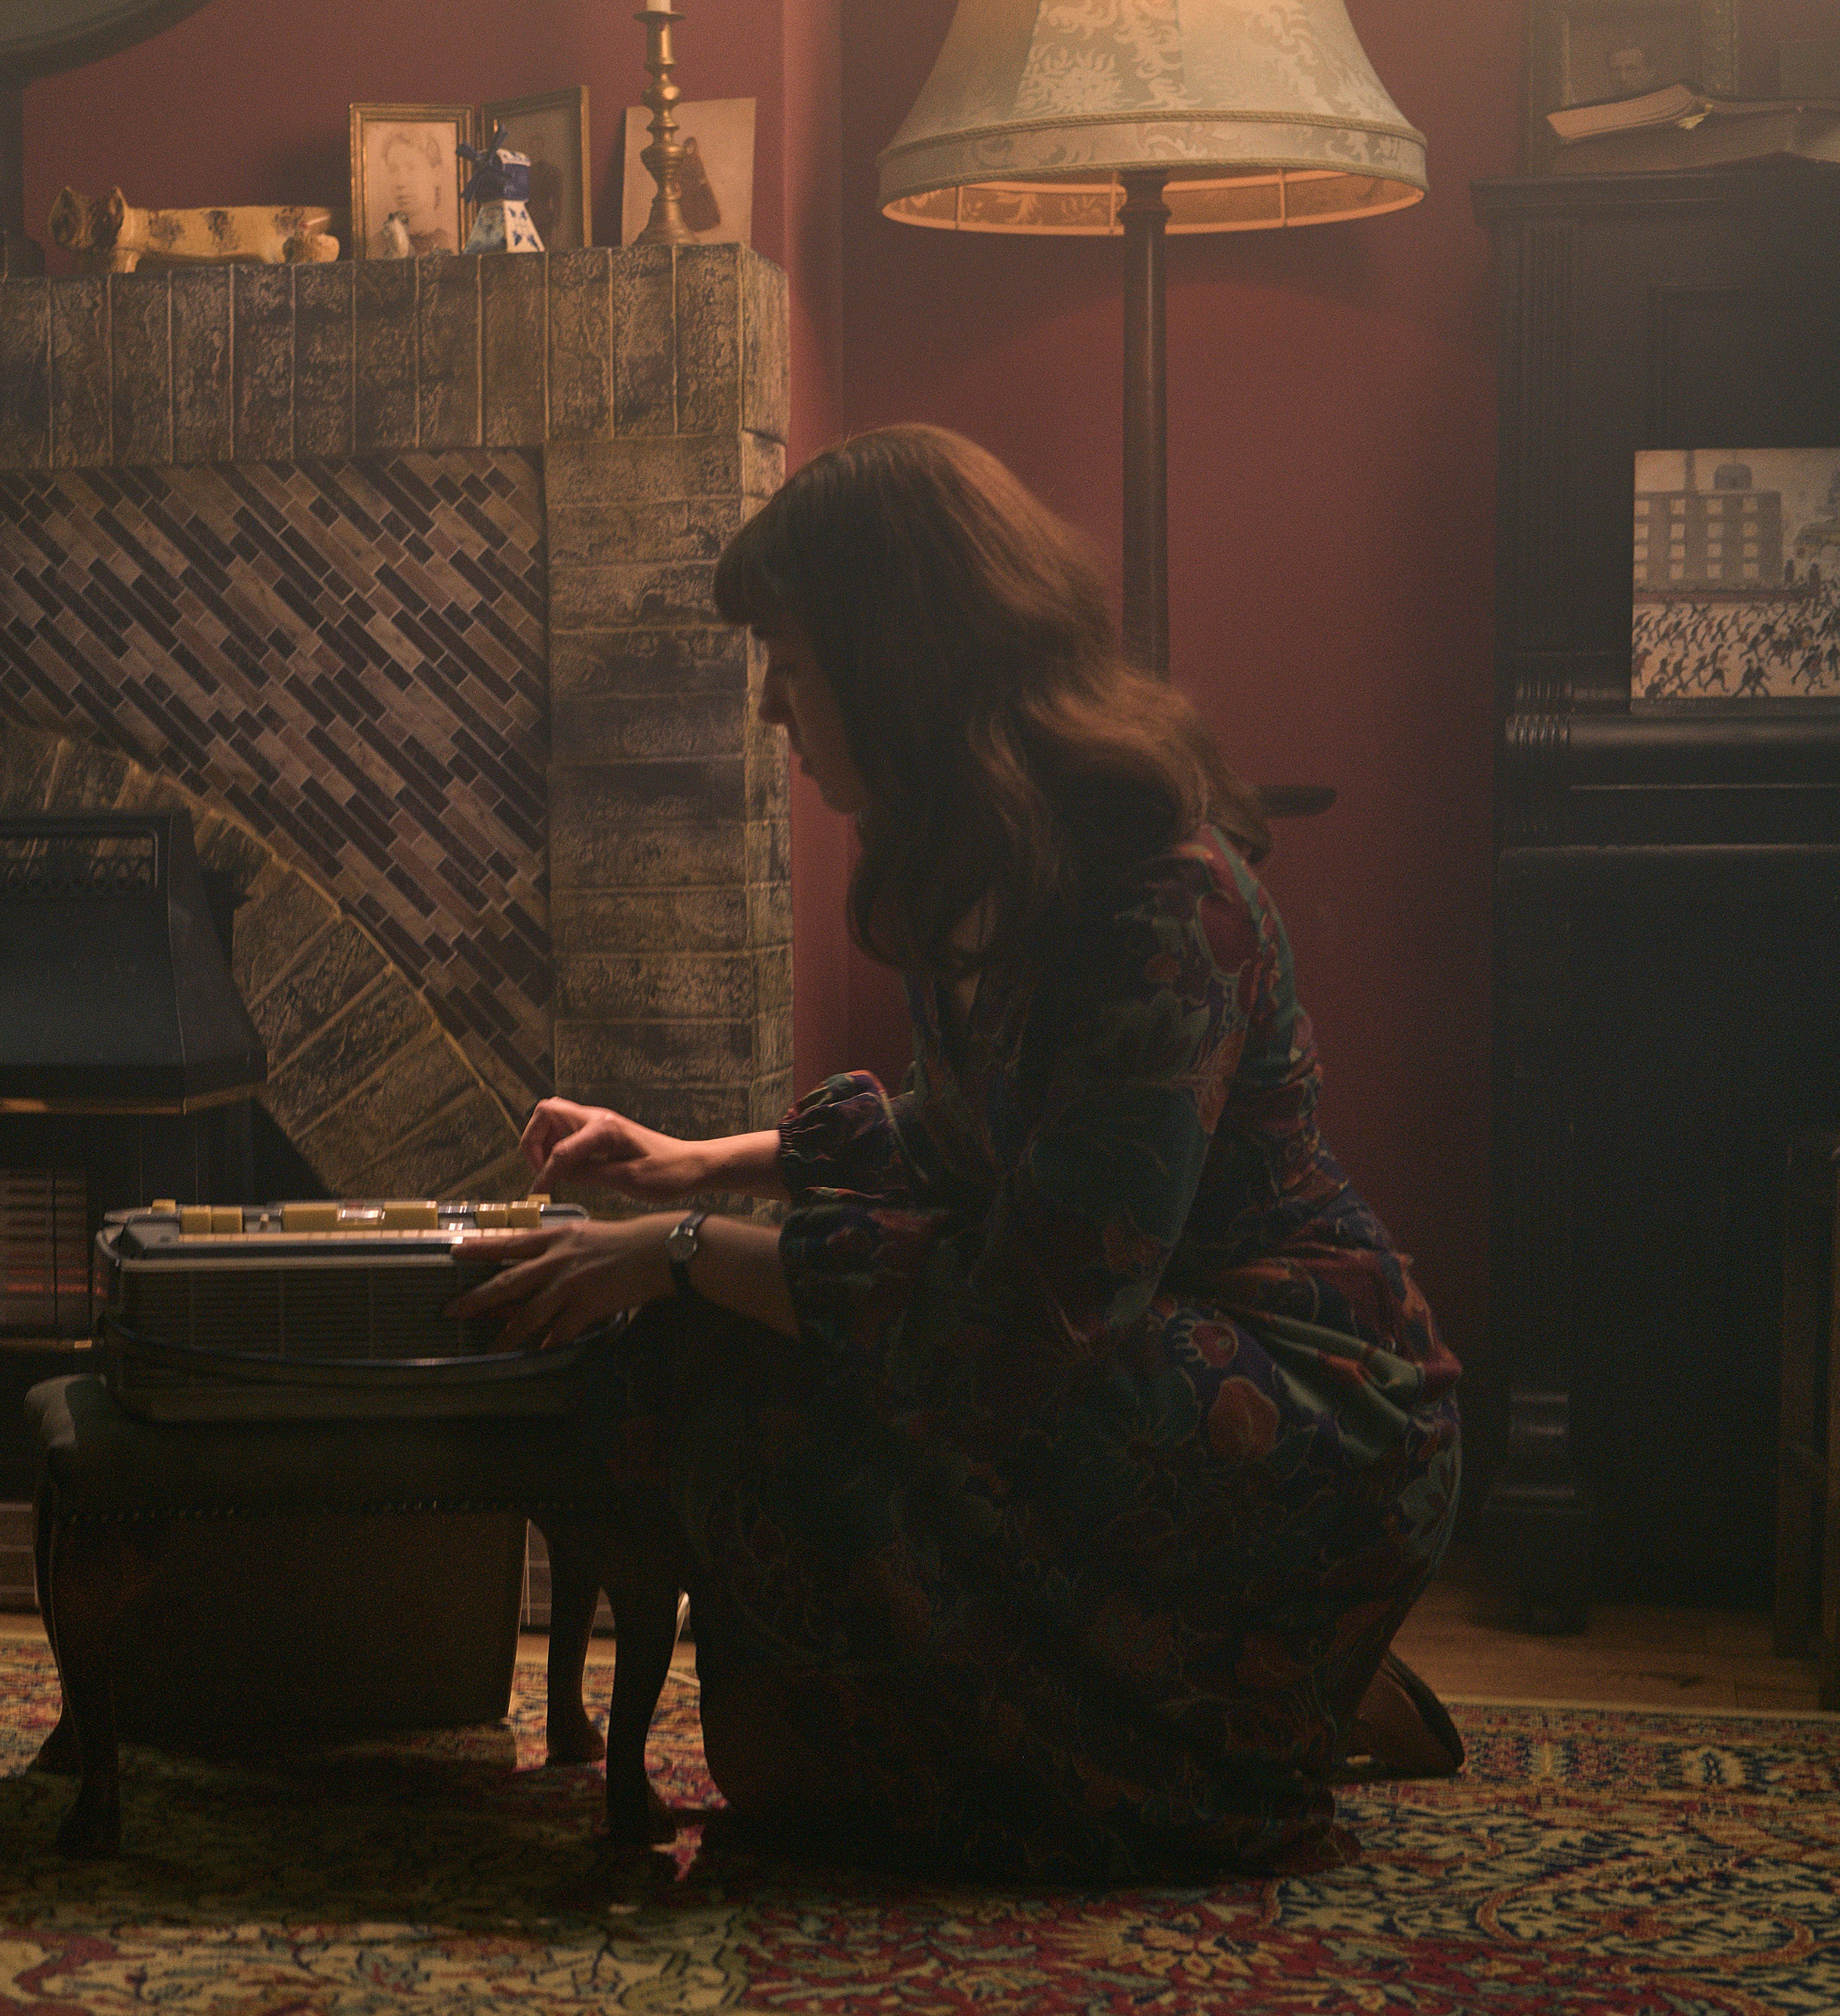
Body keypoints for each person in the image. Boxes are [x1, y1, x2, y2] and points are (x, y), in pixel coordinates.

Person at [450, 423, 1460, 1881]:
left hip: (1296, 1394)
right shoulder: (977, 859)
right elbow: (955, 1133)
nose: (768, 703)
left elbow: (1037, 1307)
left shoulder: (1164, 905)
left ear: (897, 661)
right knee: (721, 1359)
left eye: (789, 661)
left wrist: (675, 1254)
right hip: (1102, 1343)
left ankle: (1238, 1715)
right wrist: (692, 1167)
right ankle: (1201, 1699)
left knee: (790, 1372)